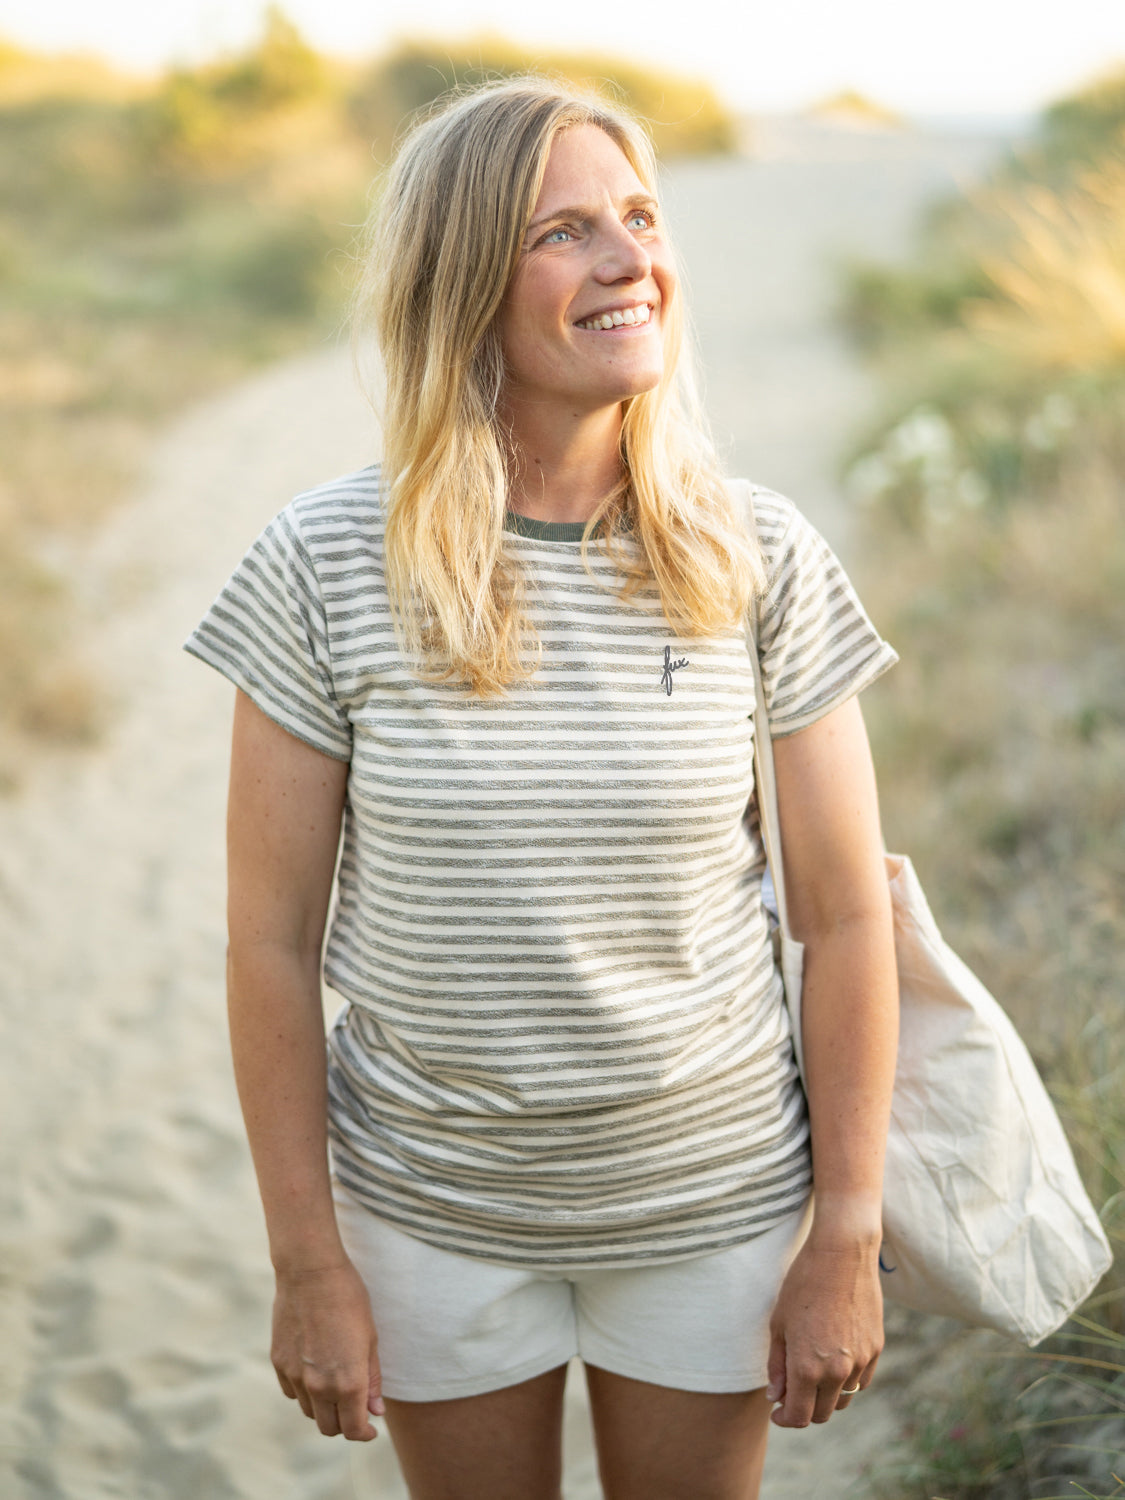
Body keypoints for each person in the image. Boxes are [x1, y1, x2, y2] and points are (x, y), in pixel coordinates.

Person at [186, 77, 900, 1500]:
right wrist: (307, 1260)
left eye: (638, 217)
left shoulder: (754, 554)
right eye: (565, 232)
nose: (631, 259)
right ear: (462, 283)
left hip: (710, 1204)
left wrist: (843, 1239)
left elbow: (844, 917)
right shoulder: (324, 563)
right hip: (431, 1214)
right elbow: (268, 943)